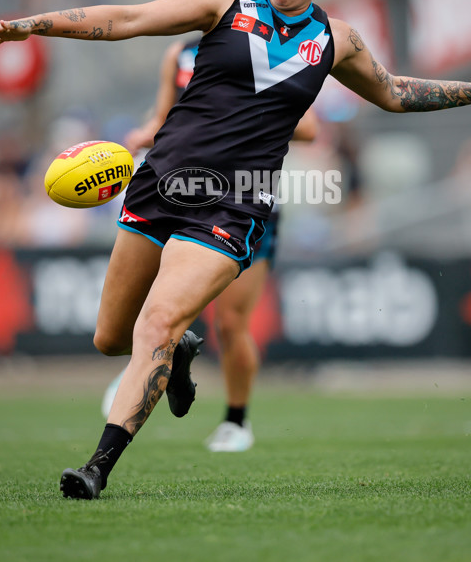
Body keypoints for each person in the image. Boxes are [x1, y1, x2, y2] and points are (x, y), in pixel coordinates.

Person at [0, 0, 471, 500]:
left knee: (155, 323)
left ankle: (97, 466)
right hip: (162, 184)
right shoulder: (224, 4)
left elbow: (395, 92)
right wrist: (34, 25)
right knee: (111, 338)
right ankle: (179, 350)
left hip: (236, 203)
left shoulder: (336, 41)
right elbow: (127, 20)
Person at [101, 36, 318, 452]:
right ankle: (169, 353)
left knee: (230, 323)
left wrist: (239, 122)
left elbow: (309, 127)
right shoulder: (181, 53)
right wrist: (142, 135)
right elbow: (165, 116)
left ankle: (236, 421)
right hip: (177, 193)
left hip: (241, 199)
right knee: (141, 315)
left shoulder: (270, 52)